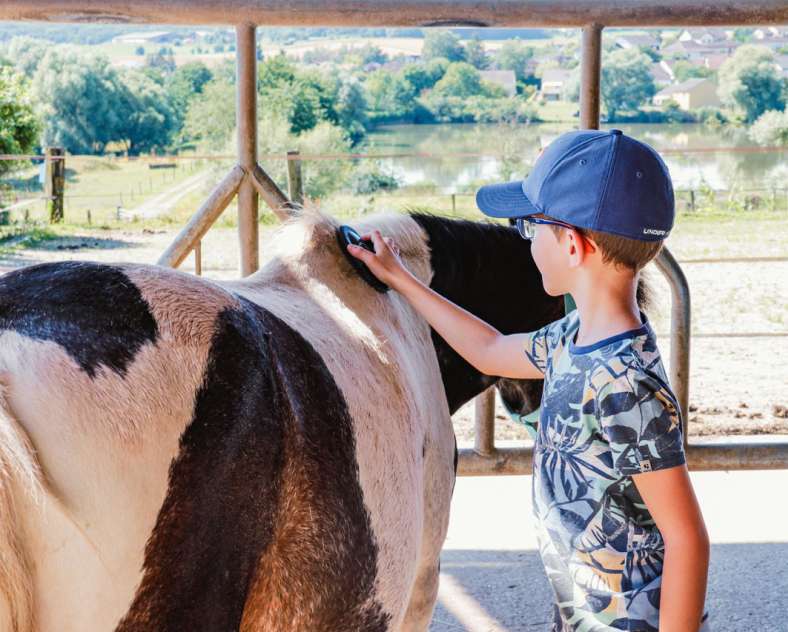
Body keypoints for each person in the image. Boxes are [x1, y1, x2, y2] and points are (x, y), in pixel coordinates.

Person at [347, 129, 710, 632]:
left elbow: (686, 536)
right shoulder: (574, 336)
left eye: (528, 226)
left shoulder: (628, 384)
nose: (525, 240)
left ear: (572, 243)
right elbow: (491, 349)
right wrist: (402, 280)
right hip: (582, 612)